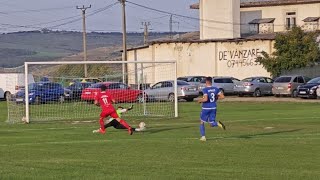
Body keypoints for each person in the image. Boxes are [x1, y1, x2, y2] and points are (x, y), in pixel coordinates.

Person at [197, 77, 226, 141]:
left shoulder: (205, 89)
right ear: (211, 82)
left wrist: (200, 100)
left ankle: (203, 137)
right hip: (213, 107)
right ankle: (218, 123)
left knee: (202, 122)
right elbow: (223, 97)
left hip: (206, 108)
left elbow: (206, 99)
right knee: (211, 123)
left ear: (206, 82)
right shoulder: (216, 89)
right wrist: (216, 98)